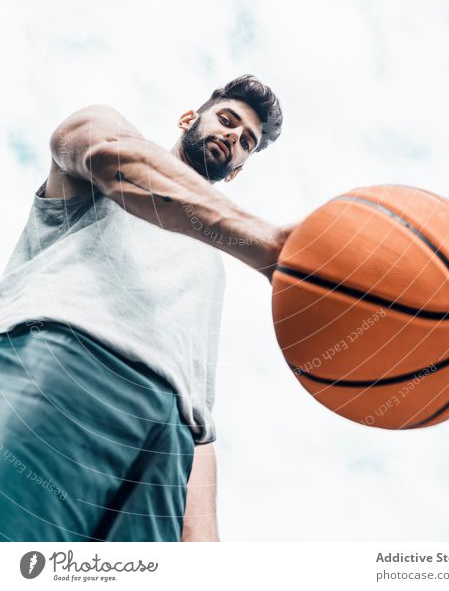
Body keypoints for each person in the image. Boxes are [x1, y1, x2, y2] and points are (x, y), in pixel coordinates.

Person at [0, 73, 291, 542]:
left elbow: (200, 410)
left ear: (237, 169)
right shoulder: (113, 154)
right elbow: (104, 151)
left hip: (168, 447)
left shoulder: (212, 269)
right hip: (70, 366)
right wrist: (269, 246)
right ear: (188, 119)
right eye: (228, 120)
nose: (233, 138)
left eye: (246, 142)